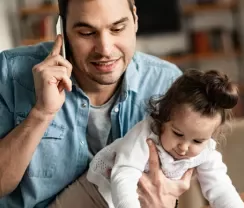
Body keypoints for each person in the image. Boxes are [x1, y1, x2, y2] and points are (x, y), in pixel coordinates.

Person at [0, 0, 193, 207]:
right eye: (86, 33)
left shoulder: (167, 82)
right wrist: (41, 113)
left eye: (117, 28)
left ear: (135, 20)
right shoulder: (10, 72)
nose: (105, 50)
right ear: (62, 30)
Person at [84, 69, 244, 208]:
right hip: (93, 193)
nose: (183, 147)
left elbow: (221, 188)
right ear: (163, 119)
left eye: (197, 141)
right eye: (177, 133)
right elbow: (123, 176)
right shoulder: (145, 134)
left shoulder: (207, 152)